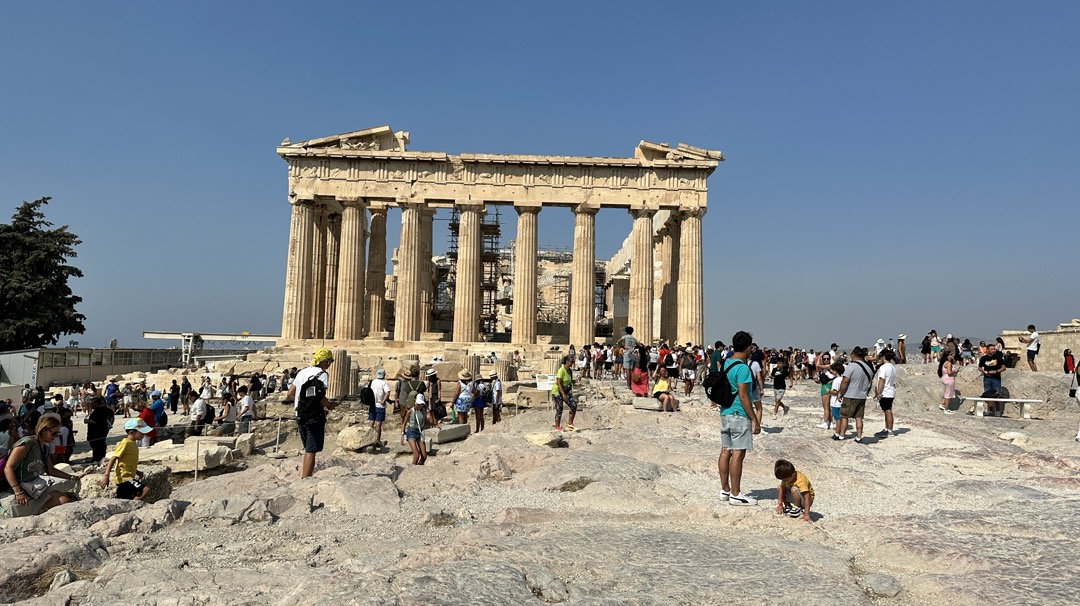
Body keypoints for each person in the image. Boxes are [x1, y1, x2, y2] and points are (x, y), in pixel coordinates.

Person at [3, 416, 84, 517]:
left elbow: (51, 470)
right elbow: (8, 467)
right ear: (43, 430)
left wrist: (73, 477)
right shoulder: (27, 443)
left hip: (34, 487)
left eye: (58, 433)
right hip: (19, 488)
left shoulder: (44, 448)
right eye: (54, 433)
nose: (56, 436)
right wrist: (18, 492)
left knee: (64, 500)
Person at [718, 331, 759, 506]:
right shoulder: (743, 368)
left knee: (725, 450)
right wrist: (754, 419)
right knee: (738, 453)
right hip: (739, 414)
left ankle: (725, 490)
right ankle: (736, 494)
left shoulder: (726, 363)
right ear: (748, 347)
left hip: (725, 412)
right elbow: (743, 396)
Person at [287, 348, 339, 479]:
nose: (330, 364)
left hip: (300, 414)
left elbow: (290, 394)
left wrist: (303, 404)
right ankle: (306, 480)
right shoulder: (322, 374)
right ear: (325, 361)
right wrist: (330, 405)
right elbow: (320, 397)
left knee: (308, 448)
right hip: (314, 415)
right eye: (330, 361)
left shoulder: (302, 372)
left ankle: (305, 476)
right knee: (311, 450)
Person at [99, 418, 153, 501]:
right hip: (124, 478)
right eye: (141, 432)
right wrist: (106, 475)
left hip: (128, 477)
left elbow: (128, 462)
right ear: (132, 432)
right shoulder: (125, 443)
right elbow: (113, 458)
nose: (144, 434)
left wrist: (137, 472)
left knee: (123, 499)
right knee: (145, 490)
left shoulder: (133, 444)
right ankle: (134, 505)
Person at [835, 347, 874, 443]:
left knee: (844, 416)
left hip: (850, 395)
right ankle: (859, 437)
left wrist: (840, 392)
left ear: (854, 355)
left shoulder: (851, 366)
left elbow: (845, 380)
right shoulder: (868, 368)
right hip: (862, 395)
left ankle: (842, 435)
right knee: (859, 417)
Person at [401, 382, 433, 465]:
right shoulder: (410, 411)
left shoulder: (424, 411)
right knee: (416, 455)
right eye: (418, 404)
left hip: (420, 432)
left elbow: (426, 422)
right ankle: (412, 469)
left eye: (421, 404)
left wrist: (434, 424)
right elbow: (404, 423)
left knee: (424, 456)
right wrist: (402, 435)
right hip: (411, 432)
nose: (419, 406)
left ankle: (418, 467)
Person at [873, 350, 898, 437]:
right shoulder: (892, 367)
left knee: (888, 411)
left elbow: (881, 380)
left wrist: (878, 392)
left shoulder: (884, 367)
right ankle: (887, 428)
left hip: (885, 392)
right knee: (887, 411)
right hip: (891, 390)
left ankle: (889, 430)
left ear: (883, 357)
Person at [977, 342, 1007, 416]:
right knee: (988, 394)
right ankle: (990, 410)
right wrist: (983, 371)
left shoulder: (998, 358)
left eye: (994, 349)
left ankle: (998, 411)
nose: (993, 350)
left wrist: (996, 371)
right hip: (987, 378)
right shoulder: (984, 358)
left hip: (996, 378)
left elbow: (1003, 367)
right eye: (991, 349)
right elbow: (979, 367)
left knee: (996, 394)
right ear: (987, 350)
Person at [85, 396, 115, 462]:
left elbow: (97, 421)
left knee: (96, 445)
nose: (91, 405)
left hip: (96, 431)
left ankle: (97, 459)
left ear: (96, 403)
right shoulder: (108, 410)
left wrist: (87, 421)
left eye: (92, 403)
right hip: (103, 430)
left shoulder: (98, 411)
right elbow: (112, 419)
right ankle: (99, 457)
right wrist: (108, 427)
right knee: (100, 444)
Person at [552, 355, 577, 432]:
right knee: (559, 409)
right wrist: (563, 394)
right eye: (571, 362)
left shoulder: (570, 371)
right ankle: (557, 427)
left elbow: (569, 381)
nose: (572, 363)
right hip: (558, 392)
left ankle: (570, 424)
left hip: (566, 391)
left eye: (573, 362)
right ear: (567, 361)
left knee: (573, 405)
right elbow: (558, 383)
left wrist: (576, 381)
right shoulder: (561, 370)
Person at [368, 369, 390, 447]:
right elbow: (387, 393)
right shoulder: (384, 383)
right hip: (380, 405)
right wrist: (383, 401)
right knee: (378, 423)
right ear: (383, 375)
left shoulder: (372, 382)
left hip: (372, 404)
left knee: (371, 422)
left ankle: (368, 439)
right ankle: (377, 440)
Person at [814, 353, 834, 430]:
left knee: (826, 406)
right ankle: (830, 422)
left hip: (827, 387)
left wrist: (819, 356)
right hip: (824, 385)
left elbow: (817, 365)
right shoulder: (825, 368)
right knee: (827, 406)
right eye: (824, 359)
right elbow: (818, 367)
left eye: (827, 359)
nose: (826, 360)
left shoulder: (830, 366)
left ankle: (825, 423)